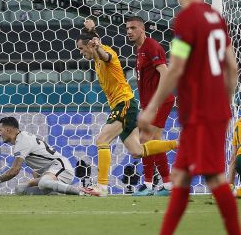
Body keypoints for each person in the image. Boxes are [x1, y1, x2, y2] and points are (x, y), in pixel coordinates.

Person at [127, 0, 241, 235]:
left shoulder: (186, 19)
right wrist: (224, 102)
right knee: (179, 177)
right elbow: (233, 67)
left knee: (214, 176)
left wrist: (150, 109)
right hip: (211, 108)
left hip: (201, 109)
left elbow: (175, 68)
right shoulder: (216, 18)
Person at [76, 19, 178, 196]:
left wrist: (97, 45)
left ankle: (101, 186)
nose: (80, 52)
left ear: (91, 46)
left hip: (125, 103)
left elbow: (104, 54)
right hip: (124, 104)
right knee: (137, 151)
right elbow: (95, 44)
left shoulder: (105, 53)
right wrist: (91, 30)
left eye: (81, 48)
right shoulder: (97, 54)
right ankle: (179, 144)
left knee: (102, 139)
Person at [0, 117, 94, 196]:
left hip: (60, 167)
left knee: (43, 183)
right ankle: (55, 193)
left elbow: (14, 171)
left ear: (8, 130)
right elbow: (37, 168)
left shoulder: (22, 141)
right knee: (20, 189)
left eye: (0, 130)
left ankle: (82, 191)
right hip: (49, 172)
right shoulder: (21, 139)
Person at [127, 16, 173, 196]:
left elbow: (165, 73)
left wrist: (155, 103)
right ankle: (168, 186)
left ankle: (147, 184)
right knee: (154, 142)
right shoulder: (140, 49)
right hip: (152, 103)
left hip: (159, 101)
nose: (129, 31)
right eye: (127, 29)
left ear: (142, 29)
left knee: (145, 139)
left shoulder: (152, 46)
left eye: (132, 28)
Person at [229, 118, 241, 197]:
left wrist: (230, 184)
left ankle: (232, 192)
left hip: (239, 160)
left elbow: (233, 156)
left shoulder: (237, 124)